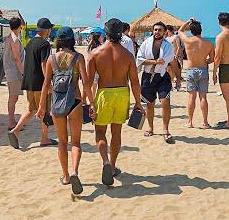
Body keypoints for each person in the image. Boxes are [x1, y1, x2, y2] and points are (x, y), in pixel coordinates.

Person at [36, 27, 92, 194]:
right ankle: (75, 171)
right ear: (72, 40)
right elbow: (86, 82)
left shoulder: (52, 59)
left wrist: (41, 106)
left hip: (57, 103)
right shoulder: (78, 58)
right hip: (74, 101)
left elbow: (46, 85)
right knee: (75, 142)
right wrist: (92, 102)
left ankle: (66, 176)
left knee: (62, 142)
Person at [87, 18, 143, 185]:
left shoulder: (95, 53)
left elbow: (88, 82)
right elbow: (134, 82)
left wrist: (89, 102)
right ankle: (112, 166)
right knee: (116, 132)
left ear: (106, 33)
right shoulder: (127, 55)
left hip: (104, 93)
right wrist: (138, 103)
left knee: (100, 132)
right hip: (122, 93)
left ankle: (105, 161)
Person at [8, 18, 57, 149]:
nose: (50, 31)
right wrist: (49, 83)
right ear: (46, 30)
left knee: (31, 109)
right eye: (50, 29)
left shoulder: (29, 43)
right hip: (40, 83)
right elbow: (44, 64)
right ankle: (44, 139)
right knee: (45, 110)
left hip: (28, 82)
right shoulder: (45, 44)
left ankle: (16, 130)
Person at [136, 21, 176, 143]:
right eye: (155, 30)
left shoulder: (168, 45)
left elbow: (168, 60)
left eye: (159, 30)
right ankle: (150, 128)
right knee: (150, 103)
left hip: (162, 76)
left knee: (165, 102)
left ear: (164, 32)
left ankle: (165, 130)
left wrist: (178, 78)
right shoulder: (146, 44)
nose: (157, 32)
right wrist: (154, 62)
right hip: (148, 76)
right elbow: (140, 60)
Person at [178, 18, 214, 129]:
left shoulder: (188, 41)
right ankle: (205, 122)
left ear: (191, 31)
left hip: (191, 70)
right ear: (201, 30)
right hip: (203, 70)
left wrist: (188, 22)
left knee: (191, 97)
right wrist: (205, 61)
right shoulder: (208, 43)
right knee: (203, 97)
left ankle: (190, 122)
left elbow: (180, 31)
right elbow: (212, 59)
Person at [2, 18, 24, 130]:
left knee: (14, 97)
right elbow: (16, 58)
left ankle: (13, 120)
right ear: (19, 26)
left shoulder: (8, 38)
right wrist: (23, 72)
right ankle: (11, 122)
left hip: (11, 70)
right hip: (14, 71)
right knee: (13, 97)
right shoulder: (14, 39)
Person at [165, 25, 183, 91]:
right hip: (168, 57)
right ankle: (170, 86)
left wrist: (176, 56)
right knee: (169, 71)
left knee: (177, 71)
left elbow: (178, 47)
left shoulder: (175, 37)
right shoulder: (166, 38)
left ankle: (178, 85)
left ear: (168, 30)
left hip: (175, 57)